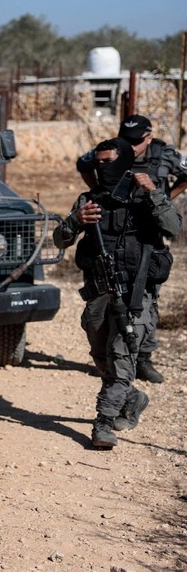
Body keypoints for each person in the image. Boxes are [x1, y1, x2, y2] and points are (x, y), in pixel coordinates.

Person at [53, 138, 181, 448]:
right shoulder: (89, 199)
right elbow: (59, 240)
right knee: (102, 357)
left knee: (122, 357)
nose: (101, 168)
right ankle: (132, 398)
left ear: (124, 161)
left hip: (137, 294)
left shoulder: (146, 194)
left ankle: (103, 424)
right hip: (99, 292)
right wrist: (74, 221)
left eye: (108, 161)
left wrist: (153, 192)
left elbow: (174, 227)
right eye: (98, 162)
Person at [74, 114, 187, 383]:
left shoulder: (164, 154)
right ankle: (115, 361)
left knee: (145, 297)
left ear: (149, 137)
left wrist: (163, 198)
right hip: (113, 235)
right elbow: (83, 164)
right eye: (127, 141)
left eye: (136, 141)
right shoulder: (111, 151)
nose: (132, 146)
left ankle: (142, 358)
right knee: (104, 310)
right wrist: (99, 192)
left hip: (147, 226)